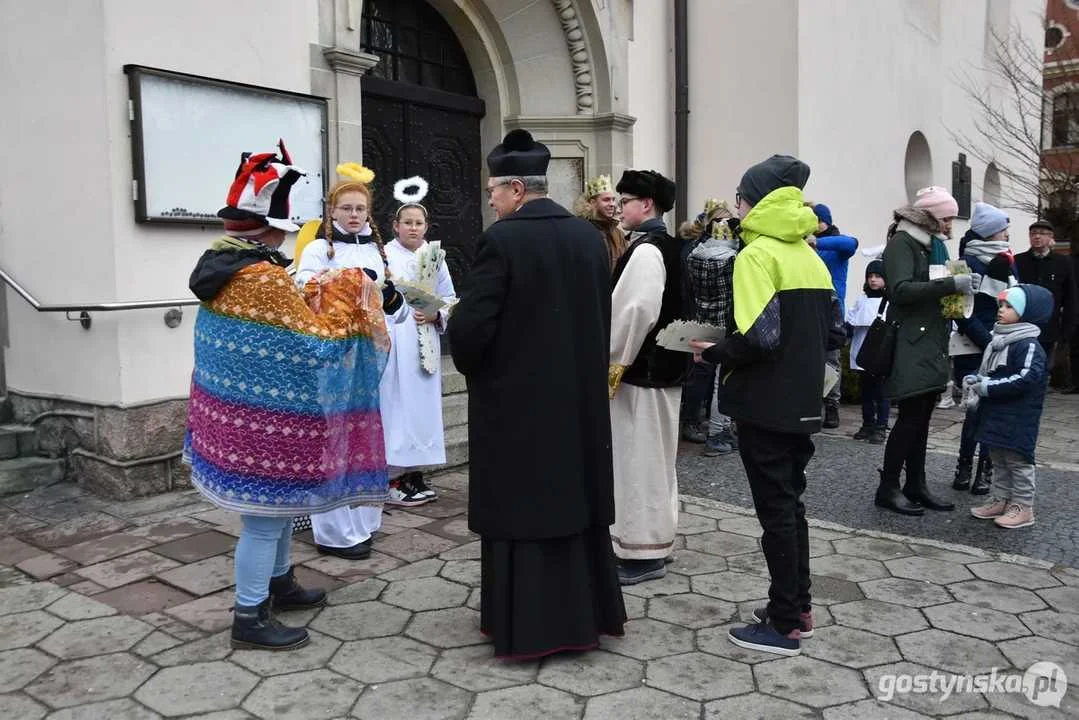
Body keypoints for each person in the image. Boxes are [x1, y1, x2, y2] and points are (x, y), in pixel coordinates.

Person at [185, 144, 390, 650]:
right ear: (266, 231)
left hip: (234, 415)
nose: (286, 235)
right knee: (262, 518)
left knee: (275, 511)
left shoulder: (223, 265)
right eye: (282, 228)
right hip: (261, 422)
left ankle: (280, 584)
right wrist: (351, 299)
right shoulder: (264, 279)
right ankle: (249, 616)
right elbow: (315, 342)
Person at [448, 129, 626, 659]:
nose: (490, 199)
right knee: (573, 503)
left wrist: (453, 328)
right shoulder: (588, 239)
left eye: (493, 191)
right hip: (577, 403)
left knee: (525, 509)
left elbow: (473, 329)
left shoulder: (501, 241)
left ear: (517, 190)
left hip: (518, 407)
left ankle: (528, 625)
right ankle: (583, 617)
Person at [690, 154, 843, 657]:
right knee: (790, 506)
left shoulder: (756, 256)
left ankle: (783, 627)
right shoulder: (809, 254)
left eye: (739, 195)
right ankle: (798, 606)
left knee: (775, 512)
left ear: (754, 202)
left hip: (765, 402)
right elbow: (834, 332)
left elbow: (758, 338)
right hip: (802, 400)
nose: (735, 204)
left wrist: (711, 351)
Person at [294, 164, 415, 562]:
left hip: (370, 359)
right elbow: (303, 290)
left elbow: (389, 307)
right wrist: (348, 281)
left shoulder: (376, 249)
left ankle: (363, 522)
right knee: (335, 440)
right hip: (334, 358)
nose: (353, 215)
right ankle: (333, 532)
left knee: (366, 439)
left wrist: (393, 300)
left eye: (360, 209)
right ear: (332, 211)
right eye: (346, 208)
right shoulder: (317, 249)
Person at [874, 187, 975, 516]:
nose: (951, 223)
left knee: (922, 419)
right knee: (909, 420)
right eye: (947, 216)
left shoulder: (934, 245)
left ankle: (915, 483)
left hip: (931, 340)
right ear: (930, 215)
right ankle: (888, 487)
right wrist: (950, 285)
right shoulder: (902, 242)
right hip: (911, 342)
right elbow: (900, 290)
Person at [609, 169, 688, 585]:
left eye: (625, 201)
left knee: (639, 463)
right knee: (656, 461)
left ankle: (642, 553)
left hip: (642, 373)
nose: (619, 207)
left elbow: (633, 313)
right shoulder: (668, 247)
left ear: (647, 205)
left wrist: (612, 361)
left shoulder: (647, 250)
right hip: (662, 371)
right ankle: (658, 540)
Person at [378, 182, 457, 506]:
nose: (413, 227)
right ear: (396, 226)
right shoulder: (384, 255)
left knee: (421, 409)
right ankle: (392, 475)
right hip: (395, 342)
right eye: (407, 222)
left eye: (419, 222)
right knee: (396, 407)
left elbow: (450, 297)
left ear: (426, 227)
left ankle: (414, 471)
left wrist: (436, 314)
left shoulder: (434, 256)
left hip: (423, 343)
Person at [966, 284, 1054, 529]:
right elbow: (989, 370)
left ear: (1027, 313)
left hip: (1018, 416)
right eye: (1001, 305)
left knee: (1018, 461)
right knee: (999, 458)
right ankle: (1002, 499)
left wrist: (987, 386)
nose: (1001, 310)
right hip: (996, 413)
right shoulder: (1000, 340)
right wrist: (976, 378)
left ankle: (1023, 507)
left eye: (1009, 306)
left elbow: (1025, 378)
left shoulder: (1028, 345)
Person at [950, 202, 1015, 495]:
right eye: (1002, 229)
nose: (1006, 234)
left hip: (1001, 342)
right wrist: (988, 341)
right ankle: (964, 466)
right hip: (973, 347)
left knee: (992, 409)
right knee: (974, 410)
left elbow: (1017, 301)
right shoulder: (960, 264)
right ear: (990, 232)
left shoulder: (1007, 262)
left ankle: (984, 470)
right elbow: (956, 310)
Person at [678, 200, 735, 444]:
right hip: (724, 320)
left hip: (699, 317)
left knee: (699, 372)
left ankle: (691, 419)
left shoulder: (694, 253)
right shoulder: (733, 257)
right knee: (717, 377)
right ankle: (715, 428)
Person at [809, 204, 858, 429]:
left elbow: (852, 243)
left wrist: (816, 242)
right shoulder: (805, 243)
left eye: (817, 220)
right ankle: (810, 406)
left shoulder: (837, 244)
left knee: (831, 361)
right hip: (809, 307)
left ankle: (831, 407)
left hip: (832, 311)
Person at [1014, 219, 1078, 382]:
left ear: (1050, 238)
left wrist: (1068, 327)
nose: (1037, 237)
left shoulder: (1063, 262)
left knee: (1043, 363)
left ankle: (1039, 387)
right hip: (1023, 322)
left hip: (1050, 324)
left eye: (1042, 234)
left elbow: (1070, 296)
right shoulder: (1018, 261)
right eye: (1033, 233)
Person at [847, 260, 890, 444]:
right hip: (862, 352)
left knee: (881, 392)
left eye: (877, 276)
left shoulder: (889, 301)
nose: (873, 280)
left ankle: (881, 426)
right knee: (866, 393)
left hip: (880, 353)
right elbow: (852, 319)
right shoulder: (861, 299)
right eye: (870, 276)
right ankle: (868, 424)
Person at [573, 173, 627, 273]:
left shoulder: (618, 234)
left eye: (613, 199)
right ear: (593, 203)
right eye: (606, 200)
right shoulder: (580, 231)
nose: (612, 204)